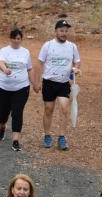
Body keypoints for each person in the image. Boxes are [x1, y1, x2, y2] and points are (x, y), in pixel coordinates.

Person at [33, 19, 81, 151]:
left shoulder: (72, 47)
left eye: (66, 31)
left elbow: (77, 62)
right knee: (49, 109)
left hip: (64, 83)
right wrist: (36, 83)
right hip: (49, 82)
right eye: (61, 30)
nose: (64, 33)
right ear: (56, 31)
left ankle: (62, 137)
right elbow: (39, 64)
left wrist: (75, 69)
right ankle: (47, 135)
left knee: (65, 109)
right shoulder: (47, 46)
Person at [0, 28, 36, 152]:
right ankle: (2, 127)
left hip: (21, 87)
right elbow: (0, 62)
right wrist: (5, 69)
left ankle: (16, 140)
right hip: (3, 87)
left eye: (19, 38)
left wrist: (35, 84)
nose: (16, 41)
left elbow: (29, 69)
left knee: (17, 112)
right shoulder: (4, 50)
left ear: (21, 39)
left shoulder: (25, 52)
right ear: (10, 38)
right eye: (14, 38)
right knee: (3, 112)